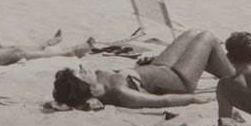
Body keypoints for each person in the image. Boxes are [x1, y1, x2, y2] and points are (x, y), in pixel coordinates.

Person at [50, 29, 237, 109]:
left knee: (192, 33)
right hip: (179, 81)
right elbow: (163, 101)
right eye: (82, 73)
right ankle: (239, 77)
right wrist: (196, 99)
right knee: (207, 37)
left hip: (159, 67)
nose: (84, 68)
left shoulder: (98, 78)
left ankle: (233, 68)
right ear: (88, 88)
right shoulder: (119, 92)